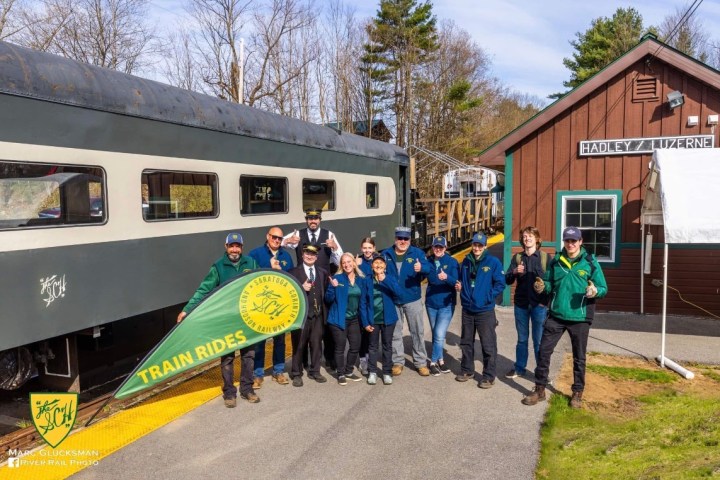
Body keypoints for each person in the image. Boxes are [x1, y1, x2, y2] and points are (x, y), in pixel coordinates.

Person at [522, 227, 607, 409]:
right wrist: (541, 286)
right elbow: (550, 284)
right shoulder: (556, 262)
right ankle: (540, 389)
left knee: (579, 357)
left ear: (580, 241)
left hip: (580, 317)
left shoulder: (590, 263)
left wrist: (594, 291)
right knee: (544, 352)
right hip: (557, 316)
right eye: (567, 241)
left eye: (574, 241)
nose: (570, 244)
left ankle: (577, 392)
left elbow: (603, 287)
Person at [176, 232, 259, 407]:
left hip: (246, 318)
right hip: (227, 320)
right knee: (227, 357)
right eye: (232, 246)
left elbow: (259, 284)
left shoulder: (250, 263)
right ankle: (229, 392)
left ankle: (247, 389)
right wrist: (187, 309)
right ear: (226, 247)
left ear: (242, 248)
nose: (234, 249)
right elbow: (204, 290)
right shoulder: (218, 266)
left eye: (238, 246)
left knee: (249, 355)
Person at [283, 208, 343, 374]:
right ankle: (300, 364)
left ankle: (329, 359)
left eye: (316, 218)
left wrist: (335, 247)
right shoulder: (298, 234)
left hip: (322, 281)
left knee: (323, 324)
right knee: (303, 328)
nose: (313, 221)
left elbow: (340, 259)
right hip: (303, 278)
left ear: (320, 219)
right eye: (310, 218)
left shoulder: (329, 234)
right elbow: (278, 241)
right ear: (306, 220)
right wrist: (288, 242)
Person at [455, 232, 505, 389]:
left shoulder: (493, 262)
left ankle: (489, 376)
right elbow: (462, 280)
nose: (476, 248)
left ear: (485, 246)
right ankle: (467, 370)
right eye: (475, 245)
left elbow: (500, 284)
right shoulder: (466, 261)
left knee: (488, 344)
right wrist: (461, 289)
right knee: (466, 342)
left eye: (480, 245)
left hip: (485, 310)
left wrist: (488, 297)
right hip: (468, 309)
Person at [248, 226, 295, 389]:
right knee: (260, 341)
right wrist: (268, 269)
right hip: (261, 305)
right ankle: (258, 374)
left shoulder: (286, 256)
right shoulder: (255, 254)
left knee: (280, 340)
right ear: (267, 236)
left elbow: (291, 279)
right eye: (274, 237)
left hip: (280, 305)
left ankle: (278, 371)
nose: (276, 240)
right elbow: (249, 277)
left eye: (279, 238)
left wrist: (280, 271)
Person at [382, 226, 431, 377]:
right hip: (393, 300)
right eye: (400, 238)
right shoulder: (386, 254)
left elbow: (429, 268)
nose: (402, 241)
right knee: (396, 332)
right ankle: (397, 362)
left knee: (417, 331)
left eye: (405, 239)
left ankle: (421, 362)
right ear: (395, 239)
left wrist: (421, 267)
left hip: (412, 299)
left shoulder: (417, 253)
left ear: (410, 240)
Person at [505, 226, 549, 379]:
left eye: (530, 236)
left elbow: (551, 282)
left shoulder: (545, 258)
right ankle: (519, 368)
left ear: (537, 239)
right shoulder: (517, 258)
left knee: (538, 341)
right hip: (521, 304)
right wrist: (514, 272)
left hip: (539, 305)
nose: (527, 238)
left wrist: (546, 302)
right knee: (522, 339)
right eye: (524, 236)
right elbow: (507, 279)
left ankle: (541, 372)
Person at [288, 244, 329, 387]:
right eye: (307, 253)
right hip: (302, 316)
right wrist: (300, 287)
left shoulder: (322, 272)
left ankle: (315, 370)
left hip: (317, 315)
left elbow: (324, 292)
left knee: (317, 344)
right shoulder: (293, 272)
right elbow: (288, 294)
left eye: (313, 254)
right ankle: (296, 373)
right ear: (302, 255)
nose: (310, 256)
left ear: (316, 257)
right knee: (298, 345)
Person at [325, 252, 368, 385]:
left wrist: (366, 321)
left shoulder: (360, 279)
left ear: (354, 263)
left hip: (354, 318)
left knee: (355, 345)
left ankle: (349, 371)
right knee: (340, 346)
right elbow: (328, 299)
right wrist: (332, 287)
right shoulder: (337, 278)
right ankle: (341, 373)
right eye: (344, 263)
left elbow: (363, 301)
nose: (347, 264)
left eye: (349, 262)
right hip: (338, 318)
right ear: (341, 265)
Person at [361, 254, 401, 385]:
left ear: (385, 266)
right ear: (372, 266)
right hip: (373, 319)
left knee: (387, 346)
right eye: (376, 263)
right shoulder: (367, 280)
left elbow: (398, 292)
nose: (378, 265)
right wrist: (365, 322)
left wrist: (385, 280)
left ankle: (387, 372)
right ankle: (372, 372)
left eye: (381, 263)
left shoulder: (390, 278)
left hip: (388, 319)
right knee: (372, 347)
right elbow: (363, 303)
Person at [425, 236, 459, 376]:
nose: (438, 249)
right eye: (435, 247)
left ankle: (432, 363)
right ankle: (441, 360)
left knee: (439, 334)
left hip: (447, 303)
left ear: (445, 248)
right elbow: (423, 276)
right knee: (435, 333)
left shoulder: (452, 262)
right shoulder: (428, 262)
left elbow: (456, 282)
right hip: (431, 303)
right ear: (432, 248)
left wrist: (448, 278)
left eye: (441, 247)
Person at [355, 237, 377, 375]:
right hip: (361, 301)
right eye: (365, 248)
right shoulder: (358, 261)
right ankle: (363, 359)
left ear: (374, 248)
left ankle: (371, 357)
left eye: (370, 248)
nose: (367, 250)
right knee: (363, 332)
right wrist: (356, 265)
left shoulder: (378, 261)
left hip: (374, 302)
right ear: (361, 248)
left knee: (372, 332)